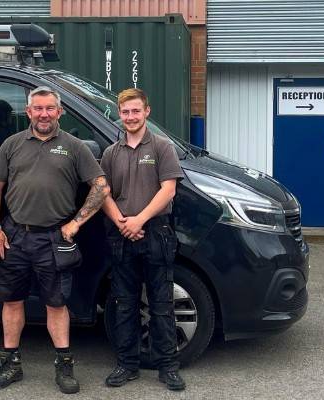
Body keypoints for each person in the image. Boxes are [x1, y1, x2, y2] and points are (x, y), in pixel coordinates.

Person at [0, 86, 109, 394]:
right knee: (12, 301)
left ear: (59, 112)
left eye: (49, 108)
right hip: (14, 236)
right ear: (28, 112)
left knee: (56, 303)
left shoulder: (75, 147)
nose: (43, 114)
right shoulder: (12, 145)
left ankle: (64, 367)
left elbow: (101, 186)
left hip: (54, 239)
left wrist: (76, 223)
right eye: (37, 108)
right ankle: (10, 364)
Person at [99, 88, 186, 391]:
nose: (131, 117)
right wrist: (123, 222)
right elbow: (103, 193)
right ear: (119, 114)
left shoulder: (163, 147)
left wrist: (140, 220)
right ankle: (127, 364)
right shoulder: (111, 153)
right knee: (124, 304)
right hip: (121, 235)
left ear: (147, 112)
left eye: (136, 111)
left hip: (156, 234)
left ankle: (168, 367)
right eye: (126, 112)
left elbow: (169, 190)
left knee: (162, 304)